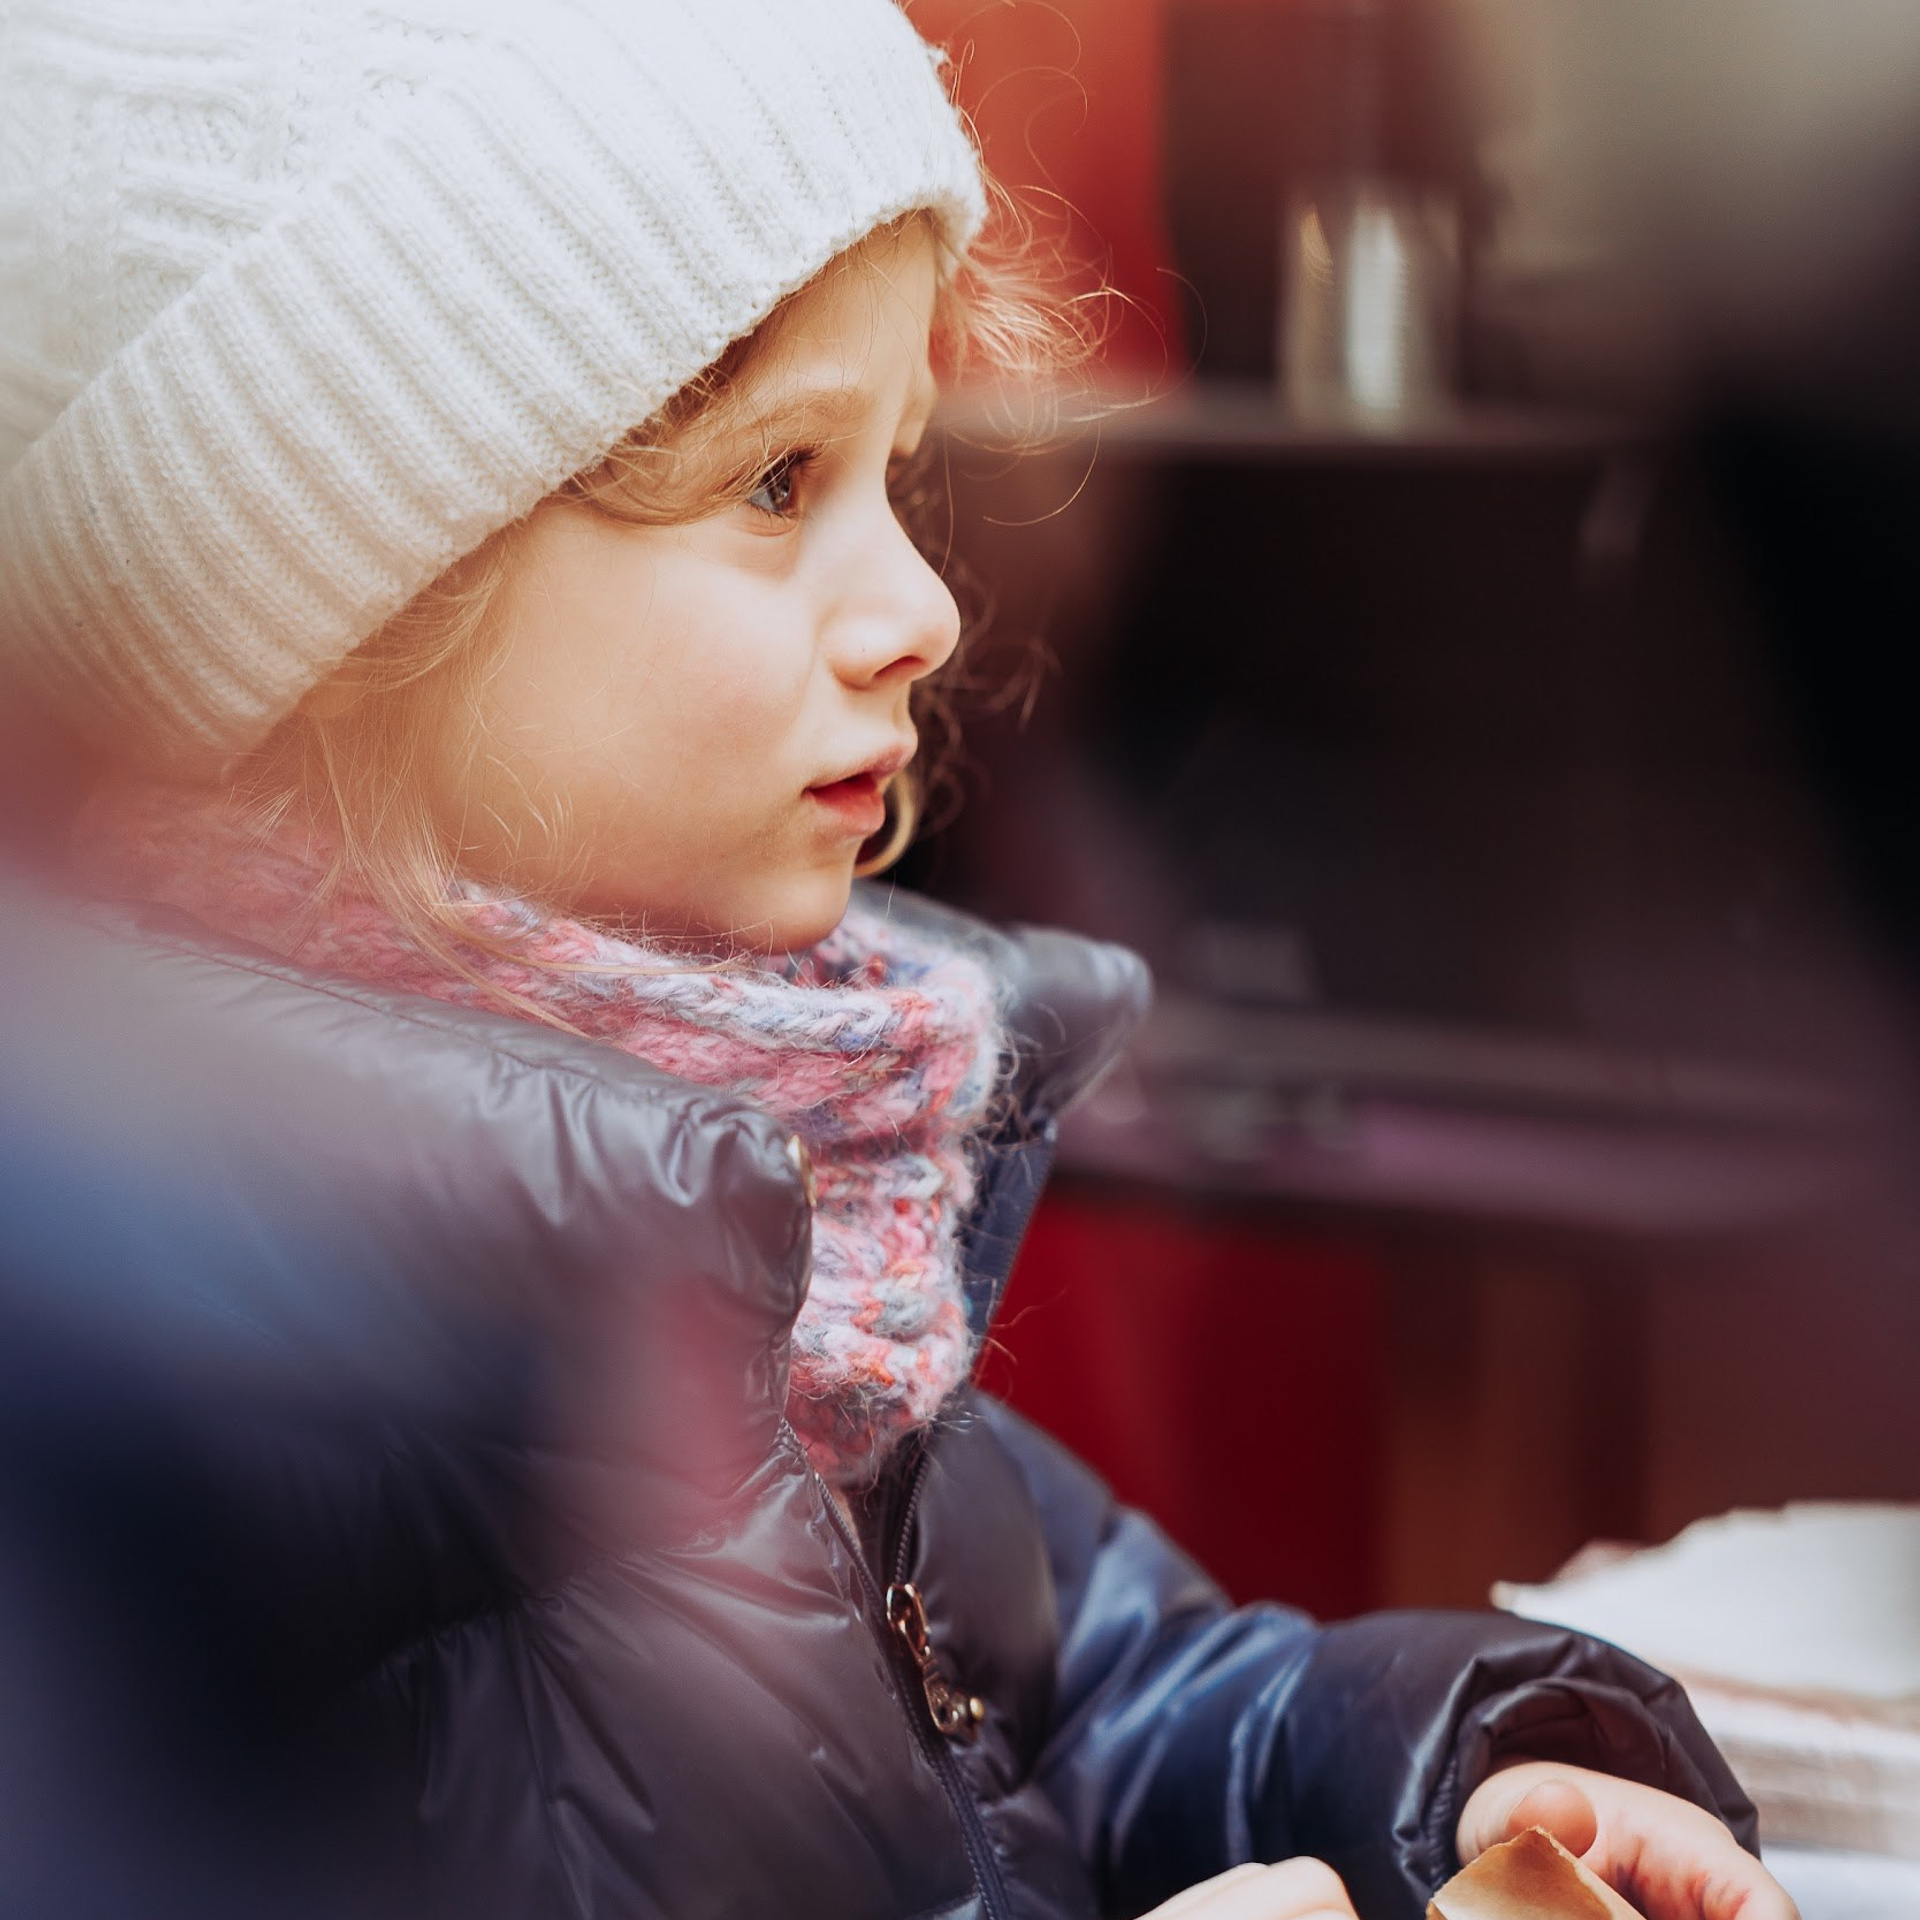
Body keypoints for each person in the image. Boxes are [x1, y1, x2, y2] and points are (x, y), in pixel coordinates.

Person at [0, 3, 1795, 1916]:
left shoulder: (802, 1193)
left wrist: (1476, 1772)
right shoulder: (188, 1446)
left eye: (899, 476)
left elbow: (1106, 1700)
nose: (924, 609)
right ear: (345, 612)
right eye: (779, 483)